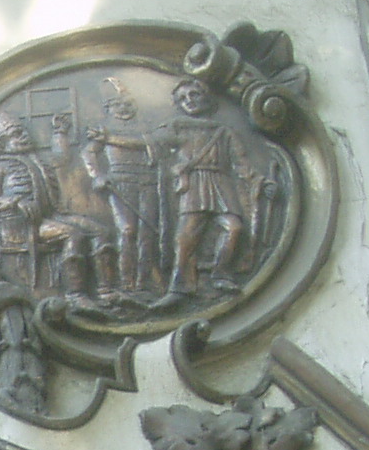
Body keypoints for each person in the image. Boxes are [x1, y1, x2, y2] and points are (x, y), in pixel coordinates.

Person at [0, 111, 98, 295]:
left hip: (50, 217)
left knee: (99, 231)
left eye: (23, 131)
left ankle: (106, 290)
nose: (25, 135)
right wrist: (16, 202)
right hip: (22, 226)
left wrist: (59, 133)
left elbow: (61, 159)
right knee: (73, 234)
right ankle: (75, 294)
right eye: (16, 134)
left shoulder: (37, 162)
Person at [164, 79, 255, 297]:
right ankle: (179, 287)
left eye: (194, 94)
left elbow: (241, 162)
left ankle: (221, 274)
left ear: (206, 97)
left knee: (234, 228)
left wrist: (258, 181)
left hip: (220, 182)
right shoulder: (177, 127)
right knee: (186, 236)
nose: (189, 101)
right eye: (183, 98)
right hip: (193, 183)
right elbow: (156, 148)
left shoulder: (224, 131)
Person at [83, 85, 162, 295]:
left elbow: (156, 149)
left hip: (148, 182)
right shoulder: (102, 128)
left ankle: (144, 283)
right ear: (108, 108)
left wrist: (110, 139)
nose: (123, 108)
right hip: (120, 183)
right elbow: (88, 153)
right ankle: (127, 282)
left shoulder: (145, 127)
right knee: (127, 230)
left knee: (147, 233)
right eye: (117, 104)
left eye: (128, 104)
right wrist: (97, 175)